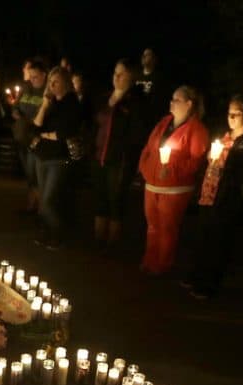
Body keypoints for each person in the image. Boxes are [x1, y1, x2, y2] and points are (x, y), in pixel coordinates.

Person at [184, 94, 243, 299]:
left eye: (236, 114)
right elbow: (213, 159)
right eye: (229, 113)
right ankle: (195, 276)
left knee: (218, 242)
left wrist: (229, 168)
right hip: (210, 192)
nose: (231, 118)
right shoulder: (226, 136)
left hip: (228, 197)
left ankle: (208, 285)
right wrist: (212, 157)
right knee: (203, 235)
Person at [137, 85, 209, 274]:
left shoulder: (197, 130)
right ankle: (149, 260)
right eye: (172, 98)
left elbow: (195, 163)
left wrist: (171, 170)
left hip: (174, 190)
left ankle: (163, 264)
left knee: (167, 228)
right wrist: (144, 168)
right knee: (152, 226)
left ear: (189, 104)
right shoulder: (164, 123)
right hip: (152, 185)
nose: (171, 103)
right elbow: (148, 148)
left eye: (176, 100)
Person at [92, 58, 149, 250]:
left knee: (115, 199)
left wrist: (129, 155)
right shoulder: (105, 98)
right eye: (115, 72)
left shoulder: (135, 101)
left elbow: (137, 132)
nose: (116, 77)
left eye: (121, 73)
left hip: (120, 160)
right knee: (100, 197)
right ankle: (98, 238)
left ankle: (112, 241)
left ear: (131, 77)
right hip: (100, 156)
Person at [30, 66, 82, 249]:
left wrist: (46, 134)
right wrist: (44, 106)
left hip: (58, 158)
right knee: (44, 198)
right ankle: (49, 233)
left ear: (66, 82)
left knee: (48, 201)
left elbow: (64, 132)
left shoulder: (71, 103)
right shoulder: (51, 103)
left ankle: (60, 233)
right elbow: (36, 125)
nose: (52, 85)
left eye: (56, 81)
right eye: (50, 82)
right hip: (42, 156)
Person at [7, 58, 47, 215]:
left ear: (44, 75)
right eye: (30, 76)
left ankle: (40, 208)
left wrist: (31, 120)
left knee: (36, 174)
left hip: (36, 140)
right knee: (29, 174)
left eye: (35, 76)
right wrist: (15, 112)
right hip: (22, 138)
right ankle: (32, 205)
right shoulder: (25, 88)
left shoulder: (46, 92)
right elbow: (15, 106)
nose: (32, 80)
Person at [136, 47, 169, 125]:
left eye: (148, 55)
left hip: (150, 120)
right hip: (136, 118)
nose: (144, 57)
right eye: (143, 55)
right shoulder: (136, 76)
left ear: (155, 59)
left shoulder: (160, 78)